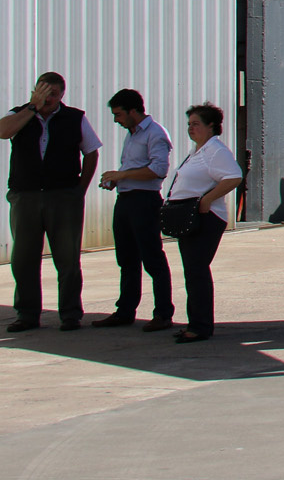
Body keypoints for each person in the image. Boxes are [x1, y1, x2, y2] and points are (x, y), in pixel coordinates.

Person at [1, 72, 101, 332]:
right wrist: (32, 107)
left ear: (62, 95)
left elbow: (91, 153)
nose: (47, 99)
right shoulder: (21, 114)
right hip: (26, 196)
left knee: (67, 258)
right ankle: (27, 313)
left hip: (63, 197)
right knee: (23, 258)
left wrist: (80, 189)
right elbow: (3, 131)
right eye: (42, 93)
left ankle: (70, 314)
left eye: (52, 95)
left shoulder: (75, 118)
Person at [94, 89, 174, 332]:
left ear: (133, 111)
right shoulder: (132, 134)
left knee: (152, 257)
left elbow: (158, 169)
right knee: (127, 258)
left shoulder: (155, 133)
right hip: (127, 199)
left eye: (119, 114)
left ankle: (163, 313)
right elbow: (134, 168)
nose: (117, 120)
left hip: (144, 200)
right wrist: (117, 179)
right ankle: (125, 310)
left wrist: (123, 175)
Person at [167, 103, 242, 344]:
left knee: (197, 271)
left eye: (196, 124)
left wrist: (207, 200)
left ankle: (200, 326)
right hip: (190, 216)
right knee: (193, 272)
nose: (191, 129)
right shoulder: (198, 151)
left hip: (205, 218)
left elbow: (234, 176)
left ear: (211, 126)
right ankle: (196, 322)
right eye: (189, 125)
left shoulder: (215, 151)